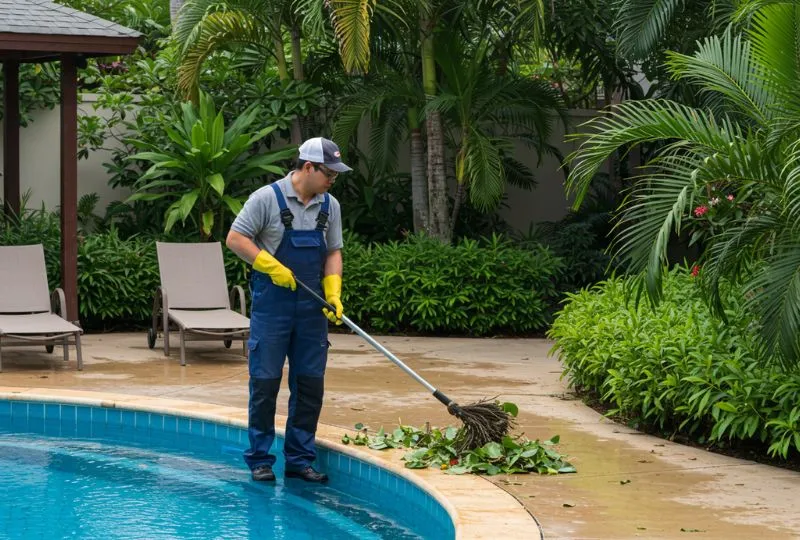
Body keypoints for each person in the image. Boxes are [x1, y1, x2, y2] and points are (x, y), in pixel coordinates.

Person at [226, 137, 351, 484]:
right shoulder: (266, 198)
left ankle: (299, 459)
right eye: (329, 173)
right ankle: (260, 459)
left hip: (313, 309)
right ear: (308, 167)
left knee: (310, 385)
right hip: (273, 307)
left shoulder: (331, 205)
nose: (332, 180)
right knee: (265, 384)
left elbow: (333, 252)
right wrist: (269, 264)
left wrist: (334, 290)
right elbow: (235, 238)